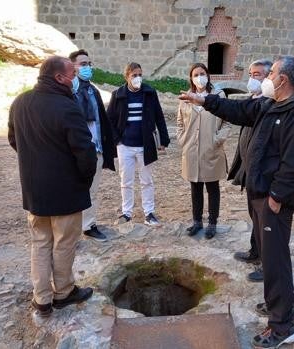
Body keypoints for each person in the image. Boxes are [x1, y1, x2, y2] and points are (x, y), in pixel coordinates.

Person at [179, 56, 294, 348]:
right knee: (272, 258)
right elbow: (239, 108)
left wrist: (277, 197)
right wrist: (203, 100)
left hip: (274, 200)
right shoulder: (270, 104)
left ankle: (283, 326)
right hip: (261, 193)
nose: (268, 77)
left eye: (273, 73)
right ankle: (285, 306)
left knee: (275, 260)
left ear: (284, 80)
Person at [8, 56, 98, 318]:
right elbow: (85, 152)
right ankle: (63, 292)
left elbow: (14, 139)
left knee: (40, 242)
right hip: (66, 191)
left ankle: (42, 299)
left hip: (34, 191)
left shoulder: (20, 102)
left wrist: (35, 161)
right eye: (72, 74)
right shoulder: (67, 107)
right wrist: (84, 179)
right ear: (59, 78)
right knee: (64, 244)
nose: (75, 78)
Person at [107, 62, 170, 226]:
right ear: (127, 76)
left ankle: (149, 213)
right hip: (125, 145)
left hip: (145, 144)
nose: (138, 78)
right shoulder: (118, 94)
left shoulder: (149, 92)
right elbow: (110, 120)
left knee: (147, 180)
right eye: (134, 75)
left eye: (140, 74)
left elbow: (159, 116)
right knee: (126, 180)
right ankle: (126, 213)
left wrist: (163, 139)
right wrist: (116, 140)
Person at [176, 63, 230, 239]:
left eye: (202, 73)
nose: (200, 77)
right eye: (196, 74)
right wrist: (182, 139)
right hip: (191, 149)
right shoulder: (185, 98)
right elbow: (179, 123)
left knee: (212, 187)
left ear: (207, 75)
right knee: (195, 186)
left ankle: (212, 222)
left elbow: (227, 121)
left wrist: (217, 139)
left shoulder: (218, 96)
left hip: (211, 148)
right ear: (191, 78)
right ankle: (197, 221)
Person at [230, 59, 272, 281]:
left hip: (263, 176)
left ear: (268, 77)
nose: (252, 79)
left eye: (257, 74)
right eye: (250, 74)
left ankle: (267, 266)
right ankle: (255, 251)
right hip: (250, 172)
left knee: (266, 223)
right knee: (254, 217)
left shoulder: (270, 104)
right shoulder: (253, 100)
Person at [69, 49, 116, 242]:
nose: (88, 67)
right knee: (72, 190)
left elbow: (100, 121)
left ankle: (88, 225)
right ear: (72, 67)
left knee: (92, 190)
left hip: (95, 149)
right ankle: (70, 231)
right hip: (74, 151)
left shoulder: (92, 90)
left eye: (89, 64)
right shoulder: (68, 91)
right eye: (83, 64)